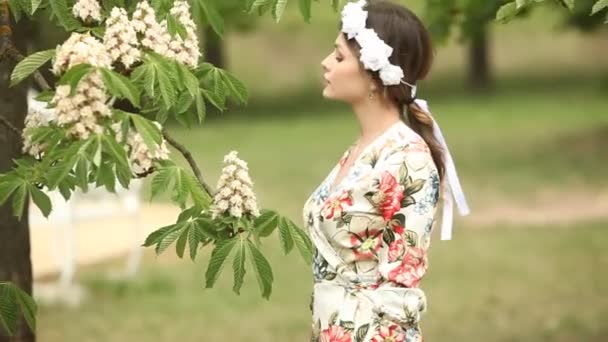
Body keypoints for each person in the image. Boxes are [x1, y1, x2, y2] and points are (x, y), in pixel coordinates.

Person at [302, 1, 470, 341]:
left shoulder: (409, 159)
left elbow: (400, 285)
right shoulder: (362, 148)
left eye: (338, 56)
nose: (325, 62)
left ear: (373, 75)